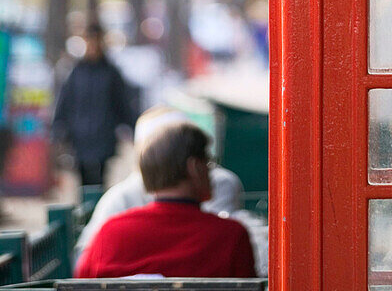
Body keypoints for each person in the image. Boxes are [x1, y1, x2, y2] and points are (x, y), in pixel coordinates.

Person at [77, 105, 267, 275]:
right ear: (194, 167)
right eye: (207, 161)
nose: (211, 170)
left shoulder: (109, 233)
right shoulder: (230, 237)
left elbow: (79, 286)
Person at [51, 21, 135, 186]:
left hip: (104, 138)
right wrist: (58, 128)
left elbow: (123, 104)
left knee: (100, 182)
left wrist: (133, 128)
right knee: (83, 182)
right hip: (80, 139)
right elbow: (65, 101)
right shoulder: (76, 72)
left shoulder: (111, 73)